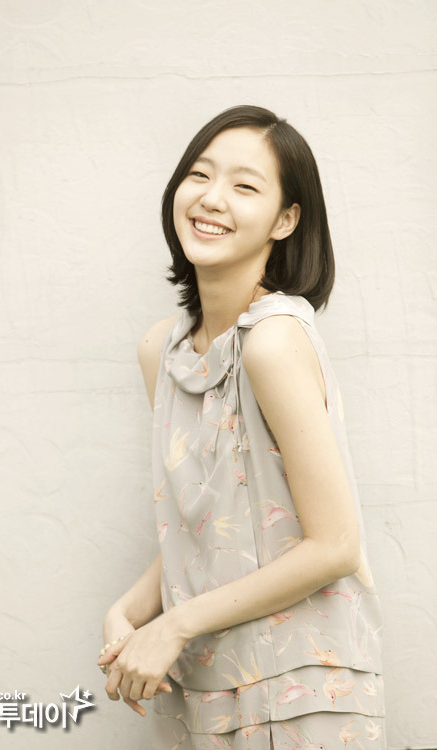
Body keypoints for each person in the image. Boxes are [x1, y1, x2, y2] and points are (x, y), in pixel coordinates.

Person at [97, 105, 386, 749]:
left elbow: (336, 544)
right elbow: (212, 525)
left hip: (302, 686)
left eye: (245, 186)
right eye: (199, 175)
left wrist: (174, 624)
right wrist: (130, 611)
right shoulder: (163, 352)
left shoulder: (273, 341)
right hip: (204, 686)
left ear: (286, 220)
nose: (211, 198)